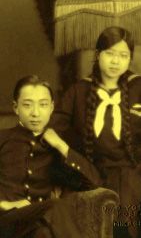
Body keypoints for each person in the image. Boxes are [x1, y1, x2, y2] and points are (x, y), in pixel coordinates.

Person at [51, 26, 141, 238]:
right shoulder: (77, 92)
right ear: (98, 55)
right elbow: (55, 131)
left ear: (130, 59)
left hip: (136, 171)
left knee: (124, 200)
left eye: (123, 55)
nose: (115, 61)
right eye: (109, 54)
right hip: (92, 170)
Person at [0, 75, 119, 238]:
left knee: (43, 234)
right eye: (27, 105)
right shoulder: (3, 139)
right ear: (16, 108)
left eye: (43, 105)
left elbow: (94, 183)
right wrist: (4, 204)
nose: (35, 113)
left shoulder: (56, 148)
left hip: (34, 224)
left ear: (51, 108)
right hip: (5, 221)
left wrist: (61, 146)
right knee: (55, 206)